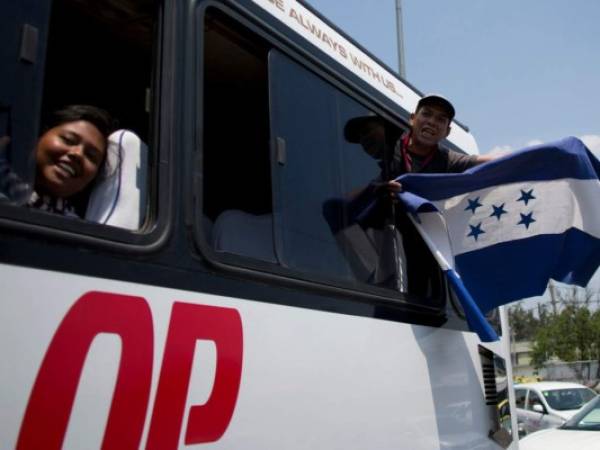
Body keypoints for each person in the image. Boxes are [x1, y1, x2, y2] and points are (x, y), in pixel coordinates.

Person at [342, 95, 498, 296]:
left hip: (419, 234)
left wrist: (534, 157)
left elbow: (487, 161)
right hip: (384, 220)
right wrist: (377, 190)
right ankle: (374, 277)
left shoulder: (446, 159)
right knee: (335, 206)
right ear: (412, 119)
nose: (432, 122)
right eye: (427, 114)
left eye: (441, 119)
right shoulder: (392, 145)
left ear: (447, 131)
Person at [0, 104, 115, 217]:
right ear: (40, 135)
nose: (78, 154)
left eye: (90, 156)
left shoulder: (76, 230)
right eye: (68, 140)